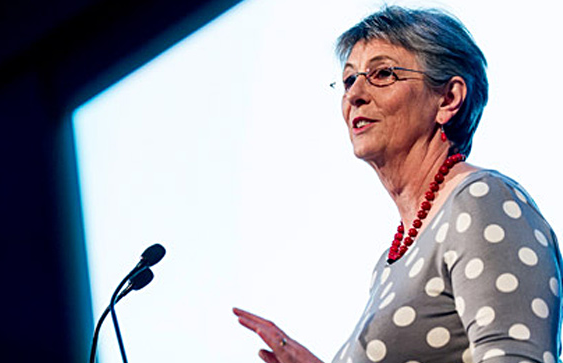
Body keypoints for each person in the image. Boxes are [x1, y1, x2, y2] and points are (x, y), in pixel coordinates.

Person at [234, 6, 562, 363]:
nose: (354, 94)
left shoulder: (483, 200)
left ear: (448, 98)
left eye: (382, 73)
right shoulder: (391, 261)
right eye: (348, 80)